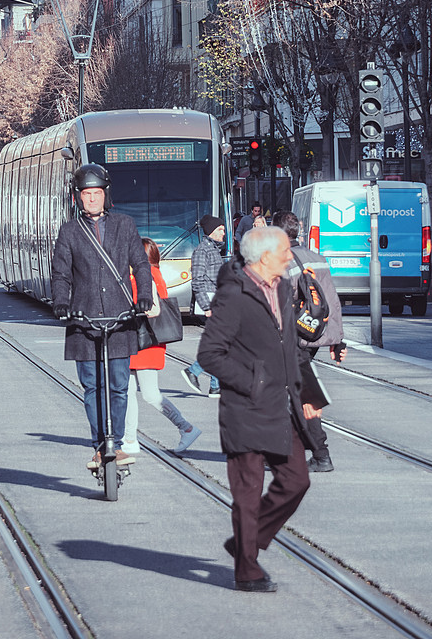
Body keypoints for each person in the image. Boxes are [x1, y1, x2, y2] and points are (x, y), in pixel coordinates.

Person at [197, 227, 322, 593]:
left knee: (297, 480)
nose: (290, 255)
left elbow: (291, 348)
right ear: (265, 256)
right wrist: (253, 381)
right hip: (245, 408)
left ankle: (244, 544)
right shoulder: (234, 295)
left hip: (281, 405)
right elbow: (209, 354)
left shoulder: (281, 287)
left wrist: (310, 395)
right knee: (248, 492)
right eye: (285, 250)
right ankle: (247, 569)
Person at [51, 164, 152, 471]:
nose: (92, 199)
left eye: (97, 193)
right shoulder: (69, 231)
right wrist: (61, 304)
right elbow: (61, 274)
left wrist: (143, 297)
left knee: (120, 386)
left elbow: (141, 264)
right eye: (86, 194)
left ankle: (117, 444)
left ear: (106, 195)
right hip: (84, 320)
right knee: (92, 387)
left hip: (121, 318)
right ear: (77, 197)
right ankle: (99, 446)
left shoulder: (125, 224)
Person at [272, 210, 347, 473]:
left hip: (290, 338)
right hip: (313, 334)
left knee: (296, 395)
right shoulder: (318, 259)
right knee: (296, 392)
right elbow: (332, 302)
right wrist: (337, 341)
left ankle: (319, 453)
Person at [121, 237, 202, 456]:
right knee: (130, 392)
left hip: (144, 342)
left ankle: (185, 427)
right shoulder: (152, 273)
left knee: (146, 394)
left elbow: (153, 308)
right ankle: (129, 438)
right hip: (142, 341)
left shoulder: (145, 275)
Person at [183, 215, 225, 398]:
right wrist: (206, 306)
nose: (224, 233)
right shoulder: (202, 251)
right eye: (221, 230)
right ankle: (194, 371)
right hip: (211, 302)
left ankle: (215, 385)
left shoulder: (213, 249)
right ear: (212, 232)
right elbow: (197, 280)